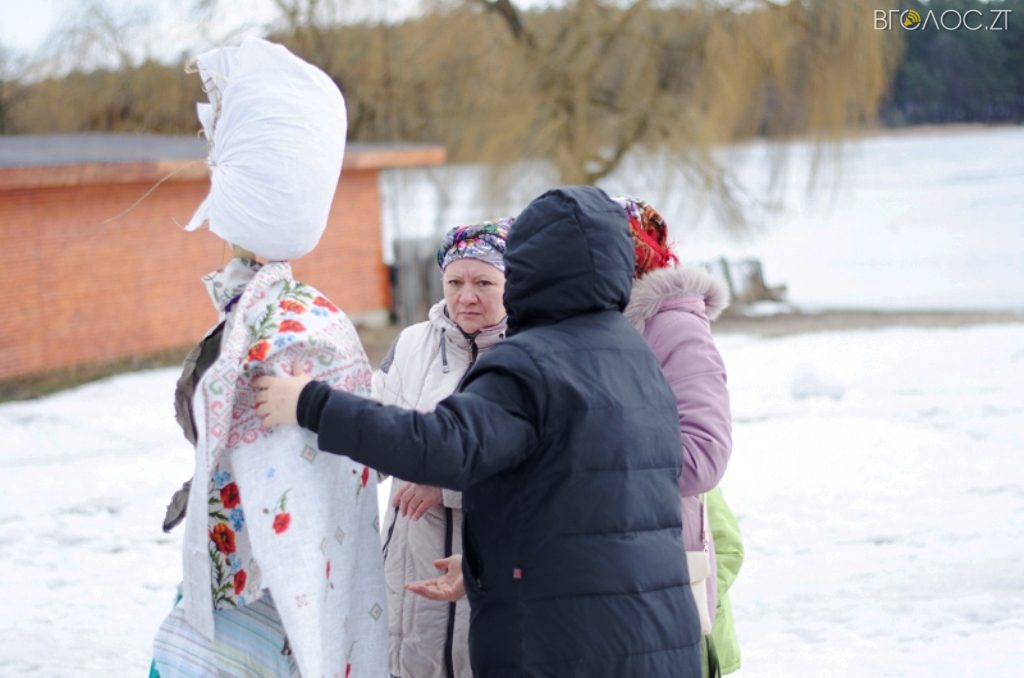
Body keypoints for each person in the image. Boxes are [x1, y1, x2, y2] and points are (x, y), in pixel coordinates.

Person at [255, 186, 704, 677]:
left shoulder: (533, 363)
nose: (467, 295)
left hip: (565, 649)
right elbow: (584, 505)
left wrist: (311, 404)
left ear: (522, 268)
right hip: (654, 641)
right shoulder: (632, 355)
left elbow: (439, 446)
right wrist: (483, 568)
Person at [150, 38, 387, 678]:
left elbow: (296, 477)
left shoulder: (287, 324)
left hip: (261, 585)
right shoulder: (291, 312)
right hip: (252, 575)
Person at [375, 218, 513, 678]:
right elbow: (375, 433)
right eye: (455, 282)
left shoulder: (528, 352)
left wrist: (448, 484)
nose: (466, 296)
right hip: (412, 565)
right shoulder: (413, 345)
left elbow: (535, 466)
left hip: (490, 570)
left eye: (483, 283)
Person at [617, 196, 735, 676]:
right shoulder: (601, 324)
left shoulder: (673, 326)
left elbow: (704, 455)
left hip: (662, 553)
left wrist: (594, 462)